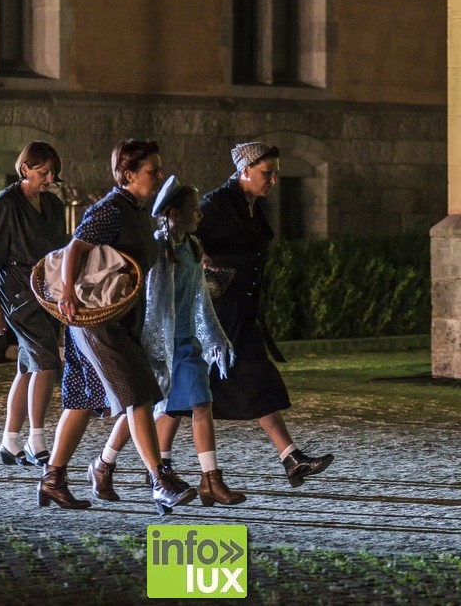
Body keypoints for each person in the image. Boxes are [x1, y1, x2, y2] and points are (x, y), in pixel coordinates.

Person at [38, 139, 197, 514]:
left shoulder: (139, 211)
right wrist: (69, 298)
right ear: (128, 175)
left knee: (83, 400)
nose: (159, 175)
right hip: (97, 322)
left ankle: (53, 479)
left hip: (120, 320)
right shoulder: (111, 209)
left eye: (158, 169)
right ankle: (161, 481)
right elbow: (76, 247)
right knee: (138, 394)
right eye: (151, 170)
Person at [89, 177, 246, 506]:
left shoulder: (192, 246)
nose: (199, 215)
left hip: (186, 342)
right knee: (140, 410)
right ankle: (105, 464)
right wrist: (149, 345)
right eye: (193, 210)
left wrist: (214, 334)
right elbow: (150, 298)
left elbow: (201, 298)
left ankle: (210, 480)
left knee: (201, 404)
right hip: (158, 344)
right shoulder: (159, 246)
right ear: (173, 213)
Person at [194, 142, 334, 487]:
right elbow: (185, 240)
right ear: (244, 171)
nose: (272, 181)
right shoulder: (216, 203)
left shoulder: (253, 206)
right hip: (219, 313)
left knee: (257, 378)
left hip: (243, 309)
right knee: (183, 394)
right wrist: (206, 267)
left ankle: (291, 457)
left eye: (274, 174)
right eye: (266, 173)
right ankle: (131, 464)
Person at [0, 141, 68, 468]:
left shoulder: (54, 206)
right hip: (17, 291)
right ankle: (37, 440)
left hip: (48, 290)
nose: (48, 179)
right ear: (25, 169)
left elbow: (61, 252)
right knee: (46, 362)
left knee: (28, 366)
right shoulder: (4, 206)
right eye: (42, 172)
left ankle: (10, 441)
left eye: (52, 173)